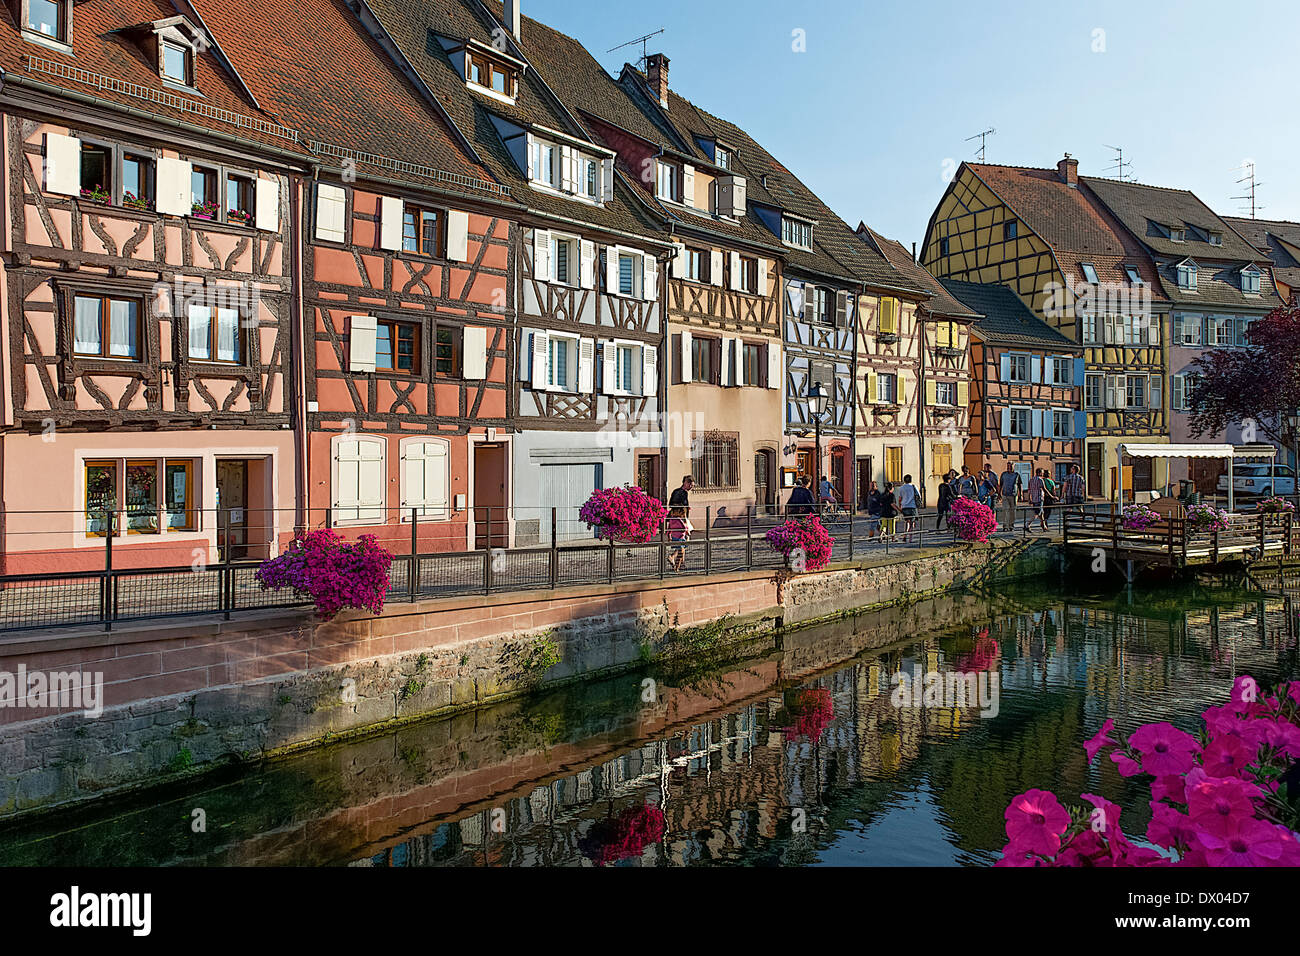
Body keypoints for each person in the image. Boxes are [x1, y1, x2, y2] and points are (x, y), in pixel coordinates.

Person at [667, 506, 691, 571]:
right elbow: (683, 527)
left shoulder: (671, 520)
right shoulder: (678, 519)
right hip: (680, 538)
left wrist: (669, 536)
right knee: (681, 553)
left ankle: (676, 566)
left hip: (674, 537)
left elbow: (669, 529)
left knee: (680, 552)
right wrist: (687, 530)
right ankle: (676, 567)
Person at [999, 463, 1021, 531]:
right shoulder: (1003, 474)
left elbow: (1020, 485)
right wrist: (999, 493)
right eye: (1008, 466)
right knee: (1005, 510)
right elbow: (1001, 484)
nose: (1009, 468)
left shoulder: (1016, 475)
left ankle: (1011, 525)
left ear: (1013, 467)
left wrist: (1021, 495)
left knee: (1012, 511)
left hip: (1013, 495)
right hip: (1005, 494)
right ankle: (1005, 526)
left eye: (1011, 467)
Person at [897, 473, 920, 541]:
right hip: (912, 506)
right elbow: (918, 496)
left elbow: (900, 498)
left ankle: (905, 535)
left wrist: (900, 506)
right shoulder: (913, 487)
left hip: (904, 506)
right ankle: (910, 538)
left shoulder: (901, 488)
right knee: (912, 523)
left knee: (907, 522)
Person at [1027, 468, 1050, 533]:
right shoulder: (1040, 480)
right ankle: (1027, 525)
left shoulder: (1031, 480)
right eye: (1042, 472)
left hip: (1034, 498)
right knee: (1037, 513)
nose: (1043, 474)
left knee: (1041, 513)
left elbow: (1029, 490)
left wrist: (1029, 498)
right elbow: (1044, 489)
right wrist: (1052, 496)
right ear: (1039, 473)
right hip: (1039, 498)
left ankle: (1044, 526)